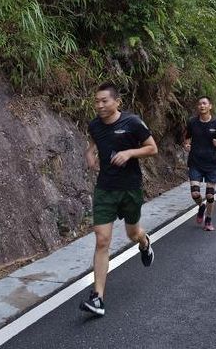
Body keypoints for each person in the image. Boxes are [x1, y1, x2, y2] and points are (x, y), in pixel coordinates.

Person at [80, 82, 157, 316]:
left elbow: (152, 148)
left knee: (133, 233)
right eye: (96, 101)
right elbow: (93, 143)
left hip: (130, 189)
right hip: (105, 189)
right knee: (102, 240)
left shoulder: (132, 123)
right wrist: (90, 153)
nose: (99, 105)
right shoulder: (94, 125)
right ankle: (97, 298)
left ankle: (145, 243)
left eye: (104, 101)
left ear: (117, 102)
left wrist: (129, 152)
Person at [183, 96, 216, 231]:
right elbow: (187, 138)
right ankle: (201, 206)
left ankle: (208, 220)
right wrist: (186, 145)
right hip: (195, 162)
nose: (202, 106)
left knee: (209, 195)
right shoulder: (192, 122)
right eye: (199, 104)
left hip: (211, 164)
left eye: (204, 103)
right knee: (195, 194)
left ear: (210, 106)